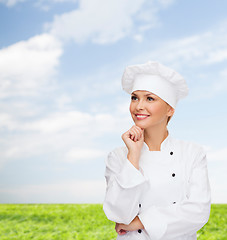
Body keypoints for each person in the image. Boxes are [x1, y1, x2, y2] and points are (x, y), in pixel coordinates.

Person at [103, 61, 211, 240]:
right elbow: (119, 215)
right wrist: (133, 156)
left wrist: (140, 222)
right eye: (134, 97)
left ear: (170, 109)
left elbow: (198, 212)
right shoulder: (118, 156)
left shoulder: (192, 153)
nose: (138, 106)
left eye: (150, 98)